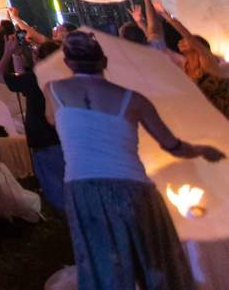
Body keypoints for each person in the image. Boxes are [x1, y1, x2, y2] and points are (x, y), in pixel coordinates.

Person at [49, 31, 223, 290]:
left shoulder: (52, 90)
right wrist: (202, 150)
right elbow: (172, 145)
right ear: (104, 61)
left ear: (68, 62)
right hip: (133, 189)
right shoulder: (134, 99)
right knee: (155, 263)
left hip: (82, 188)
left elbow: (53, 120)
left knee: (102, 264)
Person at [0, 34, 65, 211]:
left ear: (41, 59)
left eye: (35, 53)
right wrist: (16, 55)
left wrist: (6, 53)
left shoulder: (35, 79)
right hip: (64, 137)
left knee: (58, 191)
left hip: (44, 140)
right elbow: (20, 76)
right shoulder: (63, 76)